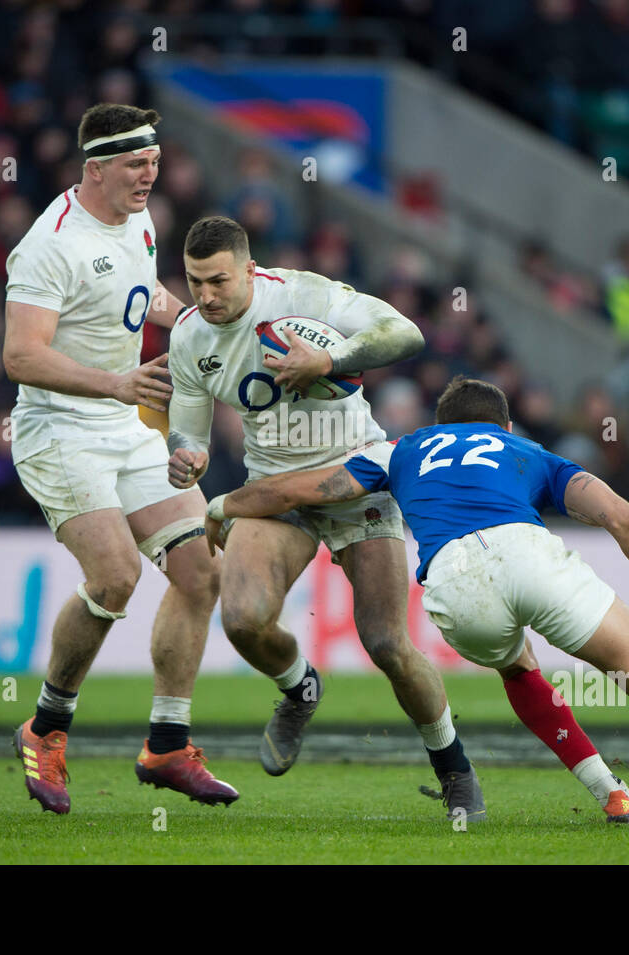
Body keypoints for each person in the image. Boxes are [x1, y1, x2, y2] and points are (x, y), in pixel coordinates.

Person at [205, 376, 629, 826]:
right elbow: (623, 518)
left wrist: (224, 505)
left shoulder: (401, 449)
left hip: (455, 583)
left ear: (440, 425)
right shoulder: (527, 451)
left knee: (519, 667)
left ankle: (613, 794)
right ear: (504, 425)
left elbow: (299, 488)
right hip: (528, 555)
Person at [166, 215, 485, 823]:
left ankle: (455, 771)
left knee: (388, 643)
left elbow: (405, 334)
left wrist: (330, 358)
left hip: (356, 477)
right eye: (194, 282)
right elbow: (189, 425)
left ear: (249, 269)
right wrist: (187, 454)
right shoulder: (188, 336)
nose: (205, 296)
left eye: (217, 282)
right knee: (241, 619)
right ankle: (298, 687)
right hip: (275, 491)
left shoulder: (305, 294)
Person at [0, 104, 235, 814]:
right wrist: (117, 382)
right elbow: (19, 354)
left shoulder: (139, 219)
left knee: (201, 569)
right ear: (94, 168)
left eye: (155, 161)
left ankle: (166, 743)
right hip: (58, 429)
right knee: (116, 574)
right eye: (136, 164)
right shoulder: (50, 244)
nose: (150, 174)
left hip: (121, 420)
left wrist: (197, 317)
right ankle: (45, 727)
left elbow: (141, 297)